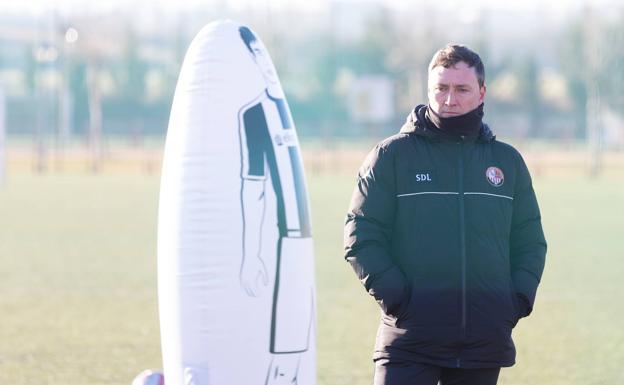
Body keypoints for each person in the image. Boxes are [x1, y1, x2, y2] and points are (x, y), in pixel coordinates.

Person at [343, 44, 547, 385]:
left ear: (482, 93)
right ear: (429, 90)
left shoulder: (507, 162)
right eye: (441, 88)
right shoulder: (391, 156)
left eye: (461, 89)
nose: (449, 99)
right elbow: (361, 236)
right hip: (409, 340)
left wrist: (515, 301)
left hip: (483, 341)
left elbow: (530, 240)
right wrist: (399, 300)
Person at [238, 26, 314, 385]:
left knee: (301, 345)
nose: (264, 67)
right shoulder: (254, 115)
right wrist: (251, 254)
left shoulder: (286, 110)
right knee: (284, 349)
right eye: (256, 59)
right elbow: (252, 189)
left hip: (308, 243)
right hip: (286, 241)